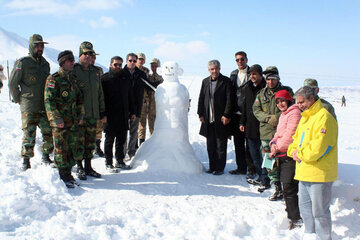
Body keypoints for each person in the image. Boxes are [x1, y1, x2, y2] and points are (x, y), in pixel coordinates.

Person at [288, 86, 338, 240]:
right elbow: (295, 140)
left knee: (320, 212)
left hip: (319, 174)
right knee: (305, 209)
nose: (299, 105)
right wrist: (292, 151)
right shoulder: (305, 117)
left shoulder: (325, 117)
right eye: (297, 102)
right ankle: (309, 235)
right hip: (304, 172)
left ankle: (324, 237)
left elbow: (320, 148)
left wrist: (299, 154)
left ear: (312, 98)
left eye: (302, 102)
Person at [8, 34, 54, 171]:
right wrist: (18, 99)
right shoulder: (23, 63)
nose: (40, 48)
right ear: (31, 46)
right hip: (29, 106)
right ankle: (26, 161)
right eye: (37, 45)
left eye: (42, 46)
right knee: (29, 134)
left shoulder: (46, 64)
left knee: (48, 132)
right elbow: (12, 83)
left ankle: (46, 157)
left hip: (43, 106)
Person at [44, 50, 84, 188]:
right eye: (70, 60)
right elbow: (49, 101)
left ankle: (68, 173)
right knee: (61, 149)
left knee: (71, 147)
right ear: (62, 63)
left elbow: (79, 98)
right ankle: (62, 175)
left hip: (72, 121)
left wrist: (81, 114)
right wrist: (56, 118)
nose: (73, 62)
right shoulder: (53, 79)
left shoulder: (72, 79)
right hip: (60, 122)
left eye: (73, 60)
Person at [252, 66, 293, 192]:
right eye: (268, 79)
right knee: (268, 160)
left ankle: (285, 186)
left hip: (283, 134)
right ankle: (275, 185)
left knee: (283, 160)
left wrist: (278, 117)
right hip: (266, 132)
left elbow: (293, 108)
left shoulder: (286, 92)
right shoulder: (261, 94)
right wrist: (267, 118)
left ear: (278, 78)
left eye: (273, 79)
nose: (270, 82)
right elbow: (256, 110)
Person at [269, 89, 302, 229]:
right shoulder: (284, 114)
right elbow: (278, 133)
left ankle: (295, 218)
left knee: (289, 187)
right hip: (281, 154)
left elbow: (290, 134)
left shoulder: (294, 113)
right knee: (286, 185)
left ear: (289, 100)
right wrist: (273, 143)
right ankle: (290, 211)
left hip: (289, 155)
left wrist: (277, 147)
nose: (280, 104)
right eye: (277, 102)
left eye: (282, 100)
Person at [72, 41, 106, 180]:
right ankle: (79, 167)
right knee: (79, 142)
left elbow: (100, 93)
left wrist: (102, 111)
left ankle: (88, 166)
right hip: (80, 115)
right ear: (80, 54)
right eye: (85, 53)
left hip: (93, 114)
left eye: (90, 54)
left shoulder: (95, 72)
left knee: (90, 142)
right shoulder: (74, 70)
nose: (88, 56)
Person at [197, 60, 233, 175]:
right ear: (209, 70)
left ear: (219, 69)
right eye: (212, 69)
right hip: (208, 119)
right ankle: (212, 166)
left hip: (221, 118)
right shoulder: (205, 82)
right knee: (210, 145)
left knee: (220, 145)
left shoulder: (226, 81)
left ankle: (219, 168)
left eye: (216, 69)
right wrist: (200, 114)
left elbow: (229, 100)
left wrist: (226, 115)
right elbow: (201, 98)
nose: (214, 71)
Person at [102, 56, 135, 172]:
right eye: (116, 64)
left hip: (123, 114)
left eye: (120, 65)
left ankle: (120, 161)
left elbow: (130, 96)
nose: (118, 67)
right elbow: (101, 99)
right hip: (109, 115)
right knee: (109, 140)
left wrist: (133, 111)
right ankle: (108, 162)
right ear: (111, 64)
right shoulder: (105, 79)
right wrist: (102, 114)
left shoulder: (126, 78)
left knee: (121, 140)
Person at [239, 64, 270, 187]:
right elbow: (245, 107)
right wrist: (242, 122)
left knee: (266, 155)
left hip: (264, 128)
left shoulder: (266, 88)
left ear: (260, 74)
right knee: (254, 155)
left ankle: (268, 178)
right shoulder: (248, 88)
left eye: (254, 74)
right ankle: (260, 176)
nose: (252, 76)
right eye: (250, 74)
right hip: (251, 127)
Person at [229, 51, 254, 176]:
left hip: (248, 115)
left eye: (242, 59)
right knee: (238, 143)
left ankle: (251, 169)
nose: (240, 62)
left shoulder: (252, 74)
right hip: (236, 114)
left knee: (249, 144)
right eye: (237, 60)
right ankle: (241, 168)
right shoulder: (233, 74)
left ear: (246, 60)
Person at [123, 53, 149, 160]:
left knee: (134, 132)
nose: (133, 63)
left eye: (134, 61)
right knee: (123, 132)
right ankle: (122, 153)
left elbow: (149, 85)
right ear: (126, 61)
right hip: (123, 107)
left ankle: (131, 152)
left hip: (137, 107)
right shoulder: (122, 73)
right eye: (131, 61)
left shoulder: (141, 74)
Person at [138, 58, 164, 145]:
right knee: (142, 124)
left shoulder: (163, 78)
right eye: (152, 66)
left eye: (155, 66)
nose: (154, 68)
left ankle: (153, 144)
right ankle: (141, 143)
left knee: (154, 126)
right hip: (146, 104)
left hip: (157, 106)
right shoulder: (148, 76)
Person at [91, 54, 105, 158]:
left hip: (97, 101)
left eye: (94, 57)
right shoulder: (79, 69)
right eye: (92, 57)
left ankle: (97, 147)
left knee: (98, 126)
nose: (93, 59)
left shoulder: (99, 70)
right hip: (86, 104)